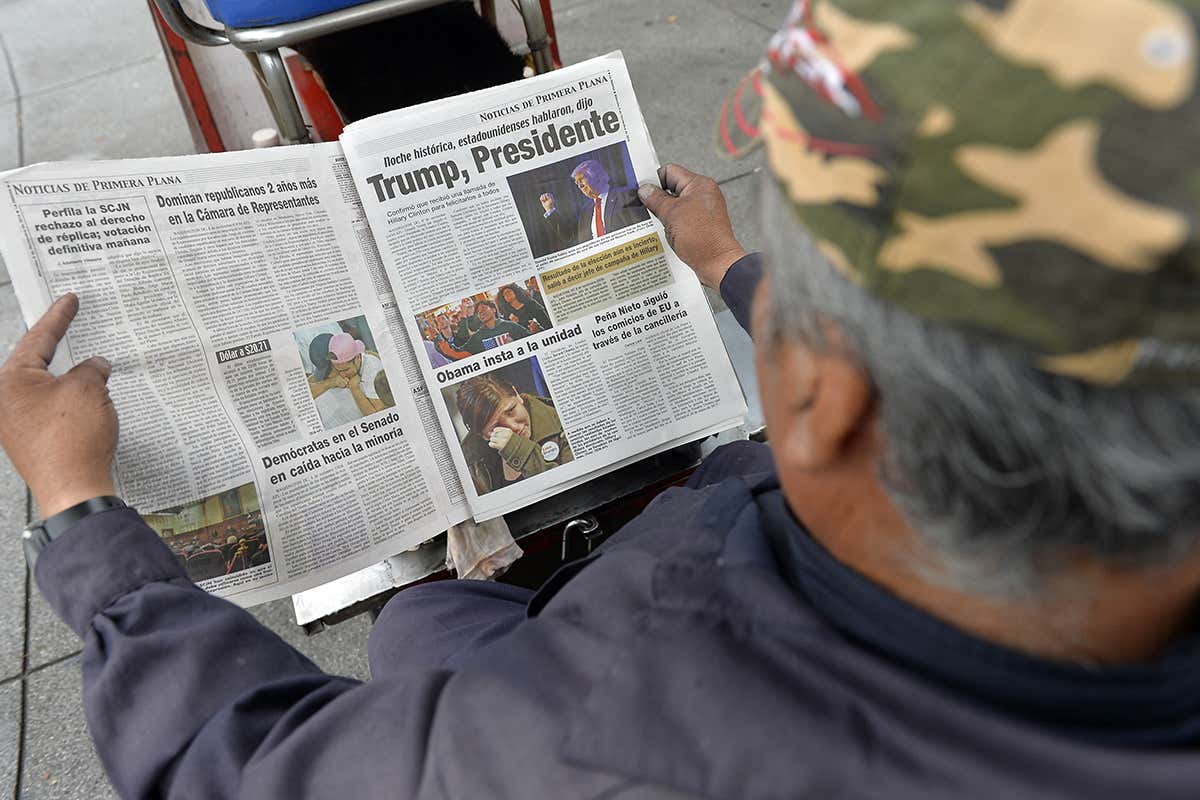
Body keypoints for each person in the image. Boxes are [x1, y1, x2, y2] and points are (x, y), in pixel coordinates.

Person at [2, 2, 1199, 797]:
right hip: (697, 583)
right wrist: (730, 265)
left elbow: (246, 760)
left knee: (425, 621)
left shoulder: (583, 745)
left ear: (830, 399)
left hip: (596, 642)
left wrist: (80, 505)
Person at [454, 374, 573, 494]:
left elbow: (572, 491)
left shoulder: (564, 421)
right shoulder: (473, 463)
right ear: (483, 435)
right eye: (496, 427)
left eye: (511, 410)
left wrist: (517, 450)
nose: (514, 427)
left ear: (517, 395)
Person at [306, 331, 391, 427]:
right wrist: (330, 382)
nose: (341, 374)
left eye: (345, 370)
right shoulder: (347, 362)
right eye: (338, 370)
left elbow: (378, 418)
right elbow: (306, 389)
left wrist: (354, 388)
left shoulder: (371, 368)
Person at [570, 158, 650, 242]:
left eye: (581, 179)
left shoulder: (626, 195)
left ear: (597, 176)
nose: (579, 186)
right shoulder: (585, 211)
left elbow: (643, 230)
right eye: (577, 183)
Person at [459, 299, 531, 355]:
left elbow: (530, 338)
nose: (481, 312)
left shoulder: (510, 326)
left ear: (494, 309)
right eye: (478, 311)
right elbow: (461, 349)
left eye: (483, 308)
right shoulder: (478, 336)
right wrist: (463, 314)